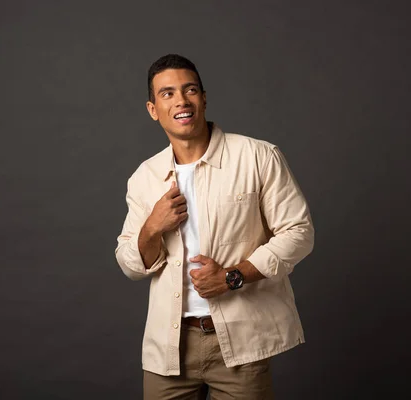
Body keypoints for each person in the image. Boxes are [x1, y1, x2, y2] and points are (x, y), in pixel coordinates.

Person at [115, 54, 314, 399]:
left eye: (189, 89)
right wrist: (152, 227)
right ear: (152, 109)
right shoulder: (145, 178)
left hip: (241, 344)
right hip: (169, 347)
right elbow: (131, 264)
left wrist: (231, 277)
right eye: (167, 93)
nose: (181, 100)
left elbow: (298, 233)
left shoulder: (257, 156)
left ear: (203, 98)